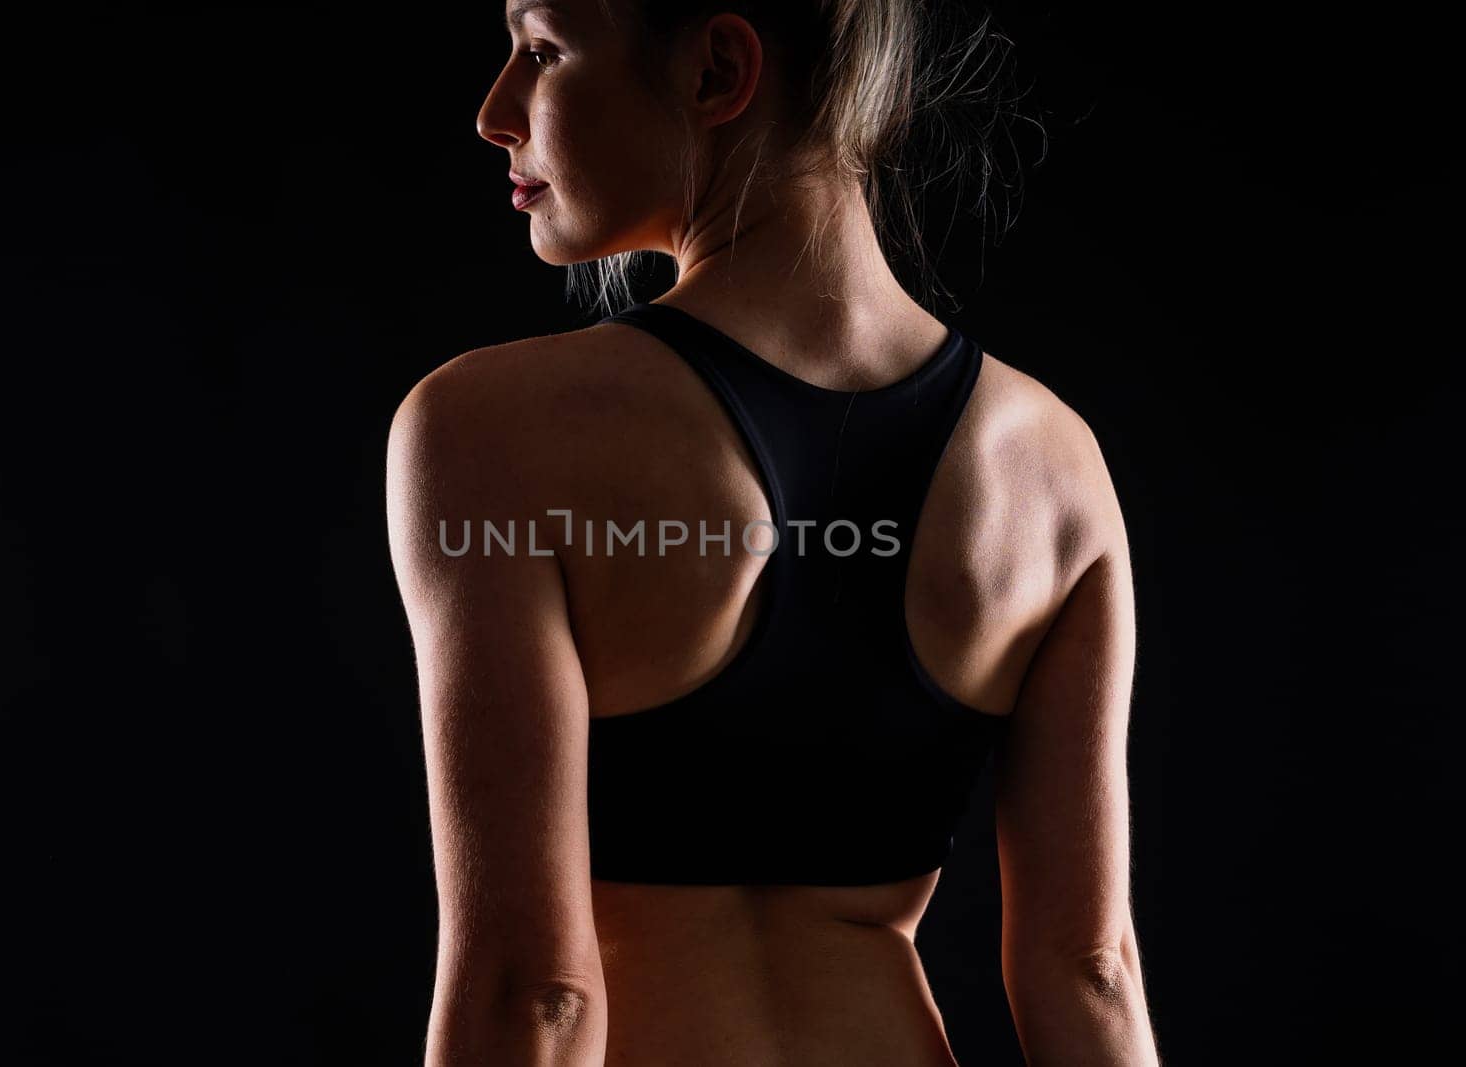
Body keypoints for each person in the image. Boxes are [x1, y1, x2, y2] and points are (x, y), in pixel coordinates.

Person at [386, 0, 1162, 1063]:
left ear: (716, 67)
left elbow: (536, 994)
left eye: (542, 49)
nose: (494, 112)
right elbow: (1091, 974)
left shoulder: (495, 430)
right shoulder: (1055, 468)